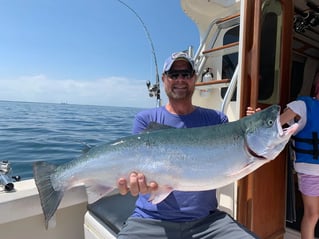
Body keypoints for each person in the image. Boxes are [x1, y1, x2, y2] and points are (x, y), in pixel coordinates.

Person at [116, 52, 259, 239]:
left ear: (195, 78)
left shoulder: (216, 119)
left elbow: (235, 158)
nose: (180, 80)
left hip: (207, 222)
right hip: (150, 220)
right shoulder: (146, 120)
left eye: (186, 74)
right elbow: (137, 166)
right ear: (164, 79)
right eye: (174, 75)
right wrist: (133, 183)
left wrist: (253, 129)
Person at [247, 72, 319, 239]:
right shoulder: (302, 106)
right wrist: (257, 119)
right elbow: (273, 127)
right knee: (313, 215)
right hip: (310, 170)